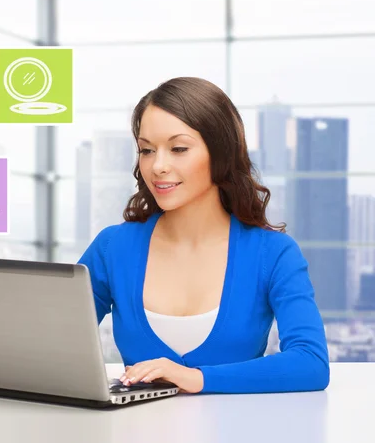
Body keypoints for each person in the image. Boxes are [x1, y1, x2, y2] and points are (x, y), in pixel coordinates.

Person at [77, 77, 330, 394]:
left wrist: (196, 379)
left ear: (221, 153)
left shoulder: (273, 253)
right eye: (146, 150)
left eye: (178, 148)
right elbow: (54, 342)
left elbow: (311, 363)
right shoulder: (112, 247)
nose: (158, 166)